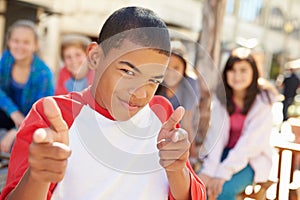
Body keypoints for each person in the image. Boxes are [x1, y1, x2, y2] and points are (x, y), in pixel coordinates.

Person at [1, 7, 206, 200]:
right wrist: (38, 176)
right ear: (95, 57)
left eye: (153, 80)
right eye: (128, 72)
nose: (141, 92)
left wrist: (177, 169)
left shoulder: (161, 113)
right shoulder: (54, 115)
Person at [198, 47, 275, 200]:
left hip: (251, 160)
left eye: (243, 70)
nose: (237, 75)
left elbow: (251, 144)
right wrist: (209, 171)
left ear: (254, 72)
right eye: (232, 70)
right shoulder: (221, 98)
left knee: (222, 191)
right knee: (198, 186)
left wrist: (222, 173)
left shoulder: (264, 100)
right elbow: (216, 136)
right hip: (222, 154)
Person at [0, 20, 54, 153]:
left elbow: (41, 113)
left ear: (35, 45)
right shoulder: (6, 59)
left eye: (26, 42)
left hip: (31, 121)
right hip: (10, 115)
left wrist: (15, 131)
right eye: (16, 41)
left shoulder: (43, 74)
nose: (19, 46)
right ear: (9, 42)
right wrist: (13, 111)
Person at [155, 40, 200, 170]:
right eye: (167, 67)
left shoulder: (190, 85)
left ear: (184, 69)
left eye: (176, 68)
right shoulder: (156, 84)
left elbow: (187, 123)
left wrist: (192, 156)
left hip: (180, 138)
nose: (171, 73)